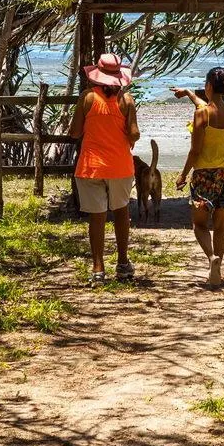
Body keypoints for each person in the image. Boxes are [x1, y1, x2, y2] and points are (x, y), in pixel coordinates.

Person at [68, 53, 140, 284]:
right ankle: (122, 263)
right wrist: (128, 138)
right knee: (121, 213)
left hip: (91, 166)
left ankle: (98, 268)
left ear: (96, 77)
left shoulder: (87, 98)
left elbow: (75, 132)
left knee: (96, 217)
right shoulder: (126, 100)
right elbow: (134, 132)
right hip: (120, 165)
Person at [172, 67, 224, 288]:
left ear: (208, 86)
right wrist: (190, 94)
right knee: (221, 223)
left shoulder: (202, 114)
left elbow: (195, 150)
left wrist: (183, 175)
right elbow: (206, 106)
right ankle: (217, 269)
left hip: (205, 174)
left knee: (199, 224)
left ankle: (211, 257)